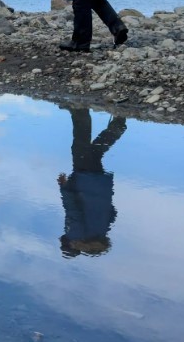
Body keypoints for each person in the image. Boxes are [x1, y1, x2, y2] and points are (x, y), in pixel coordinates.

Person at [58, 108, 127, 258]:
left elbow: (112, 214)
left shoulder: (100, 233)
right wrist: (64, 187)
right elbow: (73, 211)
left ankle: (118, 125)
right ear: (69, 244)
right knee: (80, 145)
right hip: (84, 181)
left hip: (100, 185)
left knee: (95, 152)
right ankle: (79, 111)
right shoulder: (75, 234)